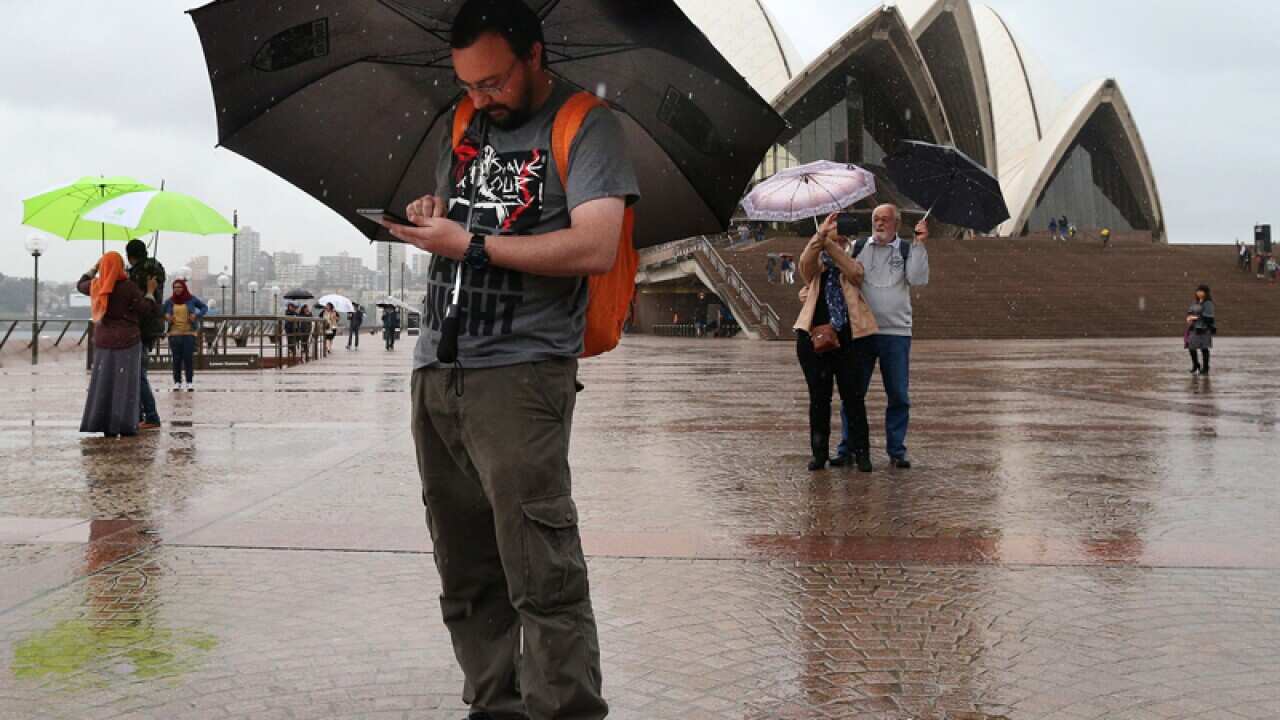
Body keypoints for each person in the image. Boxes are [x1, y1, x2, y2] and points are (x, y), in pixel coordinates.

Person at [379, 1, 640, 716]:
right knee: (465, 570)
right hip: (438, 369)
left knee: (540, 572)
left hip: (521, 376)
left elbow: (595, 245)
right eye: (467, 85)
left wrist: (470, 244)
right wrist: (435, 215)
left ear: (533, 55)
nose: (479, 99)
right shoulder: (464, 124)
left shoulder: (586, 125)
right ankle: (493, 704)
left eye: (492, 82)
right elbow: (462, 219)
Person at [835, 204, 930, 468]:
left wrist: (920, 244)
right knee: (853, 394)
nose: (879, 224)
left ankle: (896, 450)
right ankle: (847, 447)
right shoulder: (859, 246)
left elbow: (918, 278)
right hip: (863, 331)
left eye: (885, 220)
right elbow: (839, 270)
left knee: (898, 394)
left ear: (896, 224)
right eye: (876, 219)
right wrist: (834, 241)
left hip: (896, 333)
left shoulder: (906, 249)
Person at [794, 212, 876, 472]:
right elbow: (804, 263)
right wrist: (820, 237)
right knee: (819, 399)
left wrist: (830, 244)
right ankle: (819, 454)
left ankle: (861, 453)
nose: (838, 243)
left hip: (849, 339)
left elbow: (856, 274)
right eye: (834, 238)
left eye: (841, 240)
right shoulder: (817, 270)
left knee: (853, 398)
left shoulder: (851, 263)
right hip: (812, 339)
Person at [78, 252, 160, 437]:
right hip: (128, 342)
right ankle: (124, 423)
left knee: (104, 382)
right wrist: (150, 291)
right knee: (126, 383)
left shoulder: (95, 285)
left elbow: (79, 284)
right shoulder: (128, 287)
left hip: (103, 341)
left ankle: (102, 422)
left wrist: (95, 268)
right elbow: (146, 309)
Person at [125, 239, 165, 430]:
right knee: (139, 371)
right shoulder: (157, 268)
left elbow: (136, 302)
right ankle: (140, 414)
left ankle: (150, 415)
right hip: (154, 326)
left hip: (139, 326)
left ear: (131, 256)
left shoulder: (136, 274)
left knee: (138, 373)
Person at [163, 278, 208, 391]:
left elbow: (204, 307)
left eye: (179, 287)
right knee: (176, 359)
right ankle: (177, 382)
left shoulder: (191, 299)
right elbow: (161, 311)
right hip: (174, 334)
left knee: (188, 359)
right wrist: (167, 317)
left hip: (189, 334)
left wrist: (196, 316)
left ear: (184, 287)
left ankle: (189, 382)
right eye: (175, 287)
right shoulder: (170, 301)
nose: (177, 289)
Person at [1185, 284, 1215, 375]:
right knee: (1191, 347)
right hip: (1194, 328)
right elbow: (1190, 311)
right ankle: (1196, 364)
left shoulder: (1208, 303)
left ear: (1206, 293)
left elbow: (1209, 316)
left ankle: (1205, 367)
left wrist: (1195, 317)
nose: (1199, 293)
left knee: (1204, 348)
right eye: (1198, 291)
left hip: (1204, 329)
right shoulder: (1195, 302)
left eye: (1201, 291)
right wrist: (1189, 317)